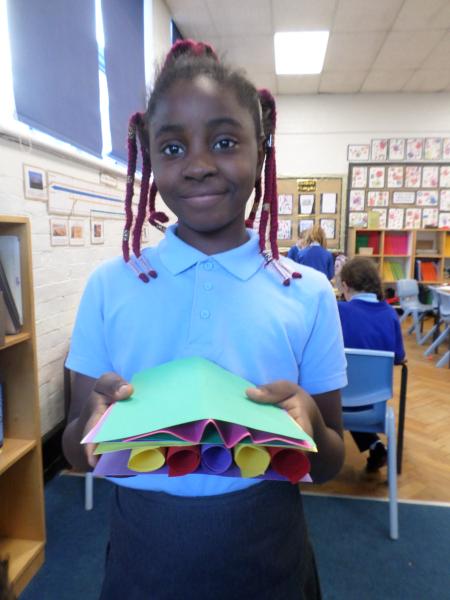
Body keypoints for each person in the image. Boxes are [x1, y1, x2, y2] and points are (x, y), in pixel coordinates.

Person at [62, 40, 347, 600]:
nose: (198, 165)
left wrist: (311, 421)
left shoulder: (306, 291)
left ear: (262, 149)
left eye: (224, 142)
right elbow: (77, 451)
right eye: (173, 147)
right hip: (144, 555)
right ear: (148, 160)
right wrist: (92, 425)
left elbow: (332, 460)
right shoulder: (111, 286)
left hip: (268, 553)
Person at [338, 256, 405, 472]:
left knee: (343, 386)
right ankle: (376, 446)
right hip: (373, 407)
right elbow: (398, 357)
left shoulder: (338, 311)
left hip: (331, 404)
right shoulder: (390, 315)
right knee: (360, 390)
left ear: (345, 286)